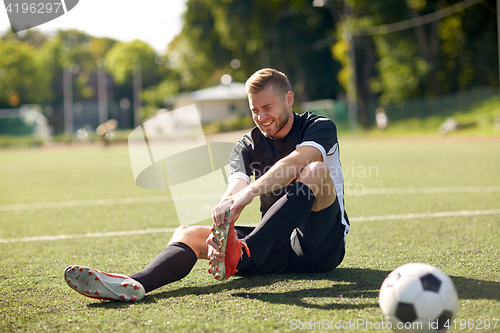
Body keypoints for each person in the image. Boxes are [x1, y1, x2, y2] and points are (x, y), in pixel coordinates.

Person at [64, 68, 350, 302]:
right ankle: (133, 284)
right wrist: (223, 223)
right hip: (273, 243)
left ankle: (243, 252)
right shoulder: (246, 145)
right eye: (255, 111)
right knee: (188, 232)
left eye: (267, 107)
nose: (261, 117)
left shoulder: (319, 126)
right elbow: (235, 188)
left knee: (314, 171)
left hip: (320, 246)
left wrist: (249, 196)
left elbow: (294, 165)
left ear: (289, 99)